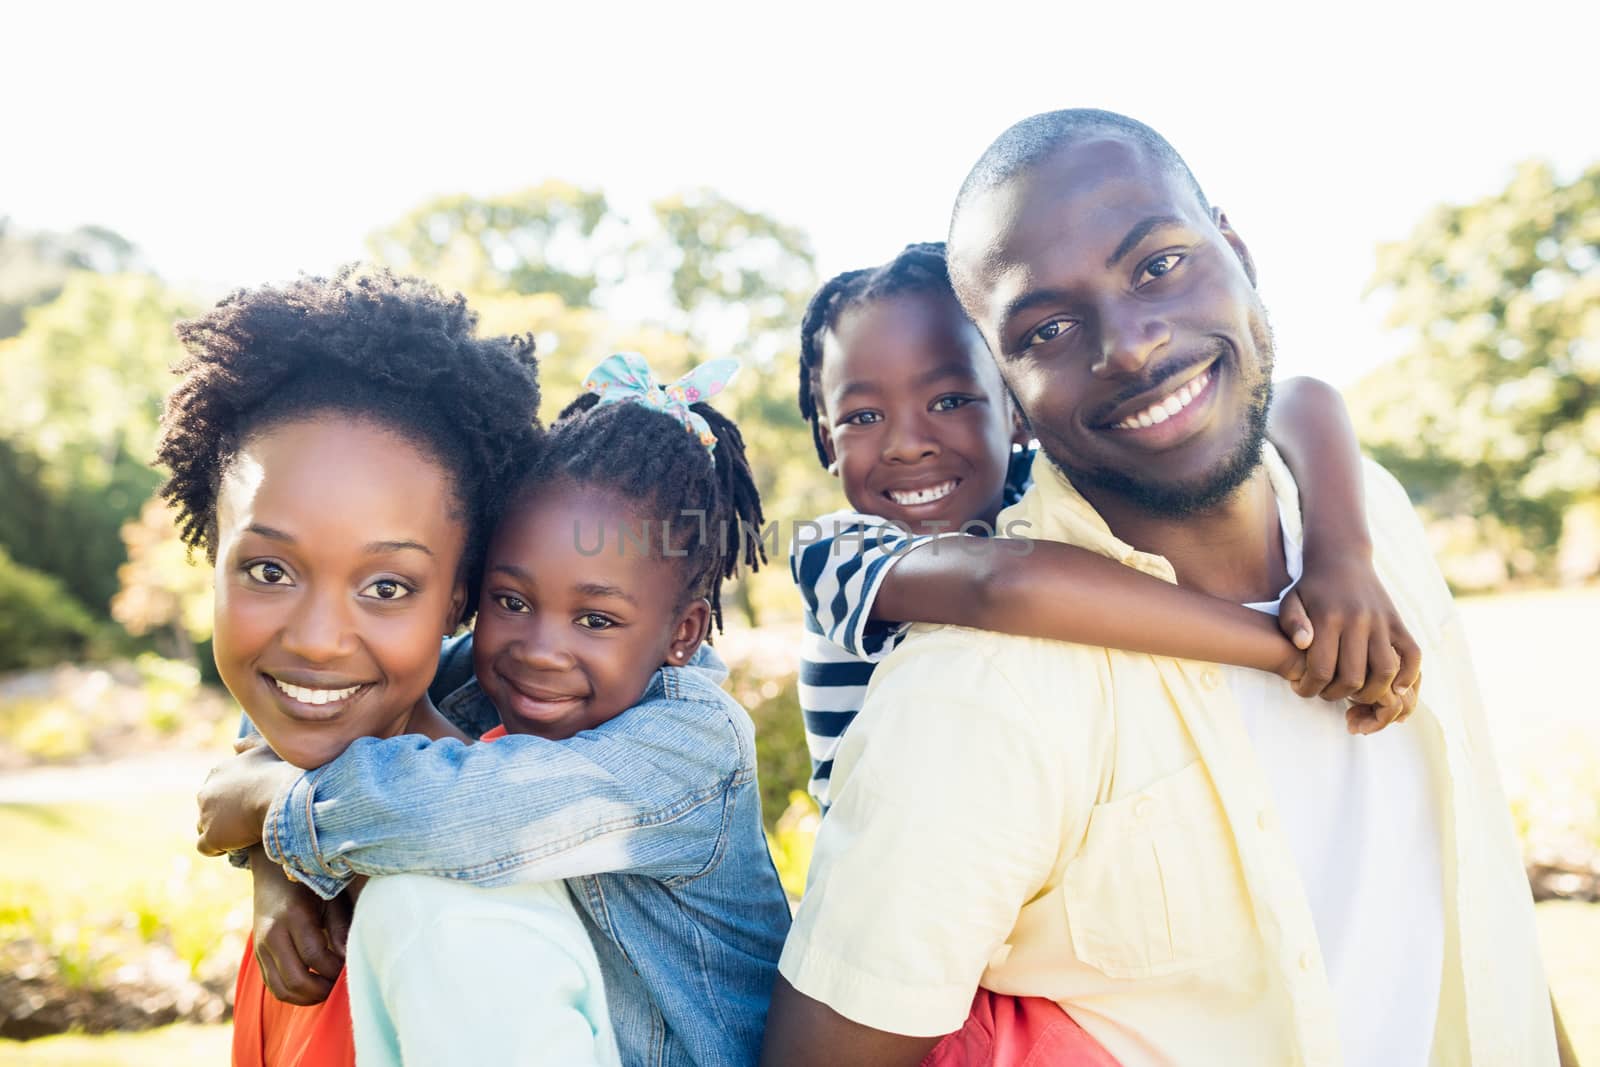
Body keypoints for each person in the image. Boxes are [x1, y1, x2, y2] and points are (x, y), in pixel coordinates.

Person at [763, 110, 1564, 1066]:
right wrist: (1279, 642)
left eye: (1157, 264)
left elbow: (1477, 911)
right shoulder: (967, 689)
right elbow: (999, 588)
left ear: (1235, 247)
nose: (1133, 346)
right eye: (1049, 326)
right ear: (1019, 390)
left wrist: (1342, 556)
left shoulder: (1370, 515)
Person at [195, 353, 793, 1067]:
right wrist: (272, 864)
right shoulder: (480, 681)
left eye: (596, 619)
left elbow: (468, 811)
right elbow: (317, 701)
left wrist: (276, 805)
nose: (540, 648)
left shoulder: (689, 742)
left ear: (683, 634)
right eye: (512, 601)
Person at [157, 268, 618, 1066]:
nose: (318, 639)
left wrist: (274, 814)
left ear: (458, 603)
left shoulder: (453, 913)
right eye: (269, 570)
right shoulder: (311, 865)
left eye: (386, 586)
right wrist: (272, 851)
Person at [791, 241, 1418, 813]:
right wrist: (1297, 652)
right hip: (904, 855)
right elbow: (1002, 585)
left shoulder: (1042, 489)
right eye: (863, 416)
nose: (906, 445)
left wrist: (1343, 562)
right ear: (826, 438)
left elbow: (1294, 398)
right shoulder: (835, 550)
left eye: (950, 402)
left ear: (1018, 412)